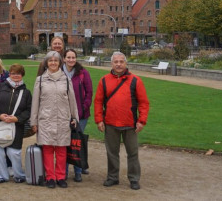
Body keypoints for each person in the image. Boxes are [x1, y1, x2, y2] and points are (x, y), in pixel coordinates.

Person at [94, 52, 150, 191]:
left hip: (130, 124)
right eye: (115, 62)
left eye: (121, 61)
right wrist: (99, 120)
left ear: (126, 63)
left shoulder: (136, 80)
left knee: (133, 153)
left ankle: (134, 178)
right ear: (111, 64)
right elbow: (98, 102)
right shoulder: (104, 80)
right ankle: (113, 177)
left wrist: (142, 121)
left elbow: (144, 103)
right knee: (112, 153)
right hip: (111, 122)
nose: (118, 64)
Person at [30, 51, 79, 189]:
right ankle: (50, 177)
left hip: (63, 118)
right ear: (46, 63)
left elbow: (72, 100)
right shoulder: (40, 80)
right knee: (48, 149)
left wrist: (74, 117)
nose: (53, 63)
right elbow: (35, 103)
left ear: (59, 63)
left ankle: (61, 176)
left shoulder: (66, 79)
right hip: (45, 119)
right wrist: (34, 122)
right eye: (50, 61)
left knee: (61, 149)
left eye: (55, 61)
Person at [0, 64, 32, 184]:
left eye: (18, 73)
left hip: (16, 125)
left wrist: (17, 118)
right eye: (13, 73)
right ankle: (2, 175)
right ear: (9, 74)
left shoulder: (26, 92)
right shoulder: (0, 87)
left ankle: (18, 174)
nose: (15, 76)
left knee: (13, 152)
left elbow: (28, 110)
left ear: (22, 75)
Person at [63, 49, 94, 182]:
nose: (71, 60)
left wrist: (81, 110)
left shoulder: (82, 73)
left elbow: (89, 92)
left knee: (76, 142)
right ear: (64, 59)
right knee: (64, 142)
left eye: (73, 57)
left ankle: (78, 171)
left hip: (81, 114)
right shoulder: (59, 73)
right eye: (68, 57)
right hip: (63, 114)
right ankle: (62, 172)